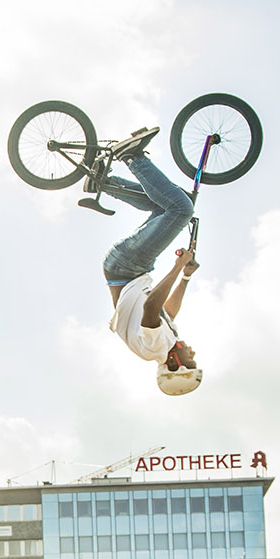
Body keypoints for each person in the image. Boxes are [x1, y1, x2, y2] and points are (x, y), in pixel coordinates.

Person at [91, 130, 205, 396]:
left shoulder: (155, 349)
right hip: (131, 268)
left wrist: (177, 267)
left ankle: (132, 156)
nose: (193, 354)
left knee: (181, 209)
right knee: (164, 208)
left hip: (126, 268)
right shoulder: (165, 342)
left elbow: (153, 305)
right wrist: (186, 277)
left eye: (191, 361)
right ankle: (102, 181)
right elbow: (169, 311)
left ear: (176, 366)